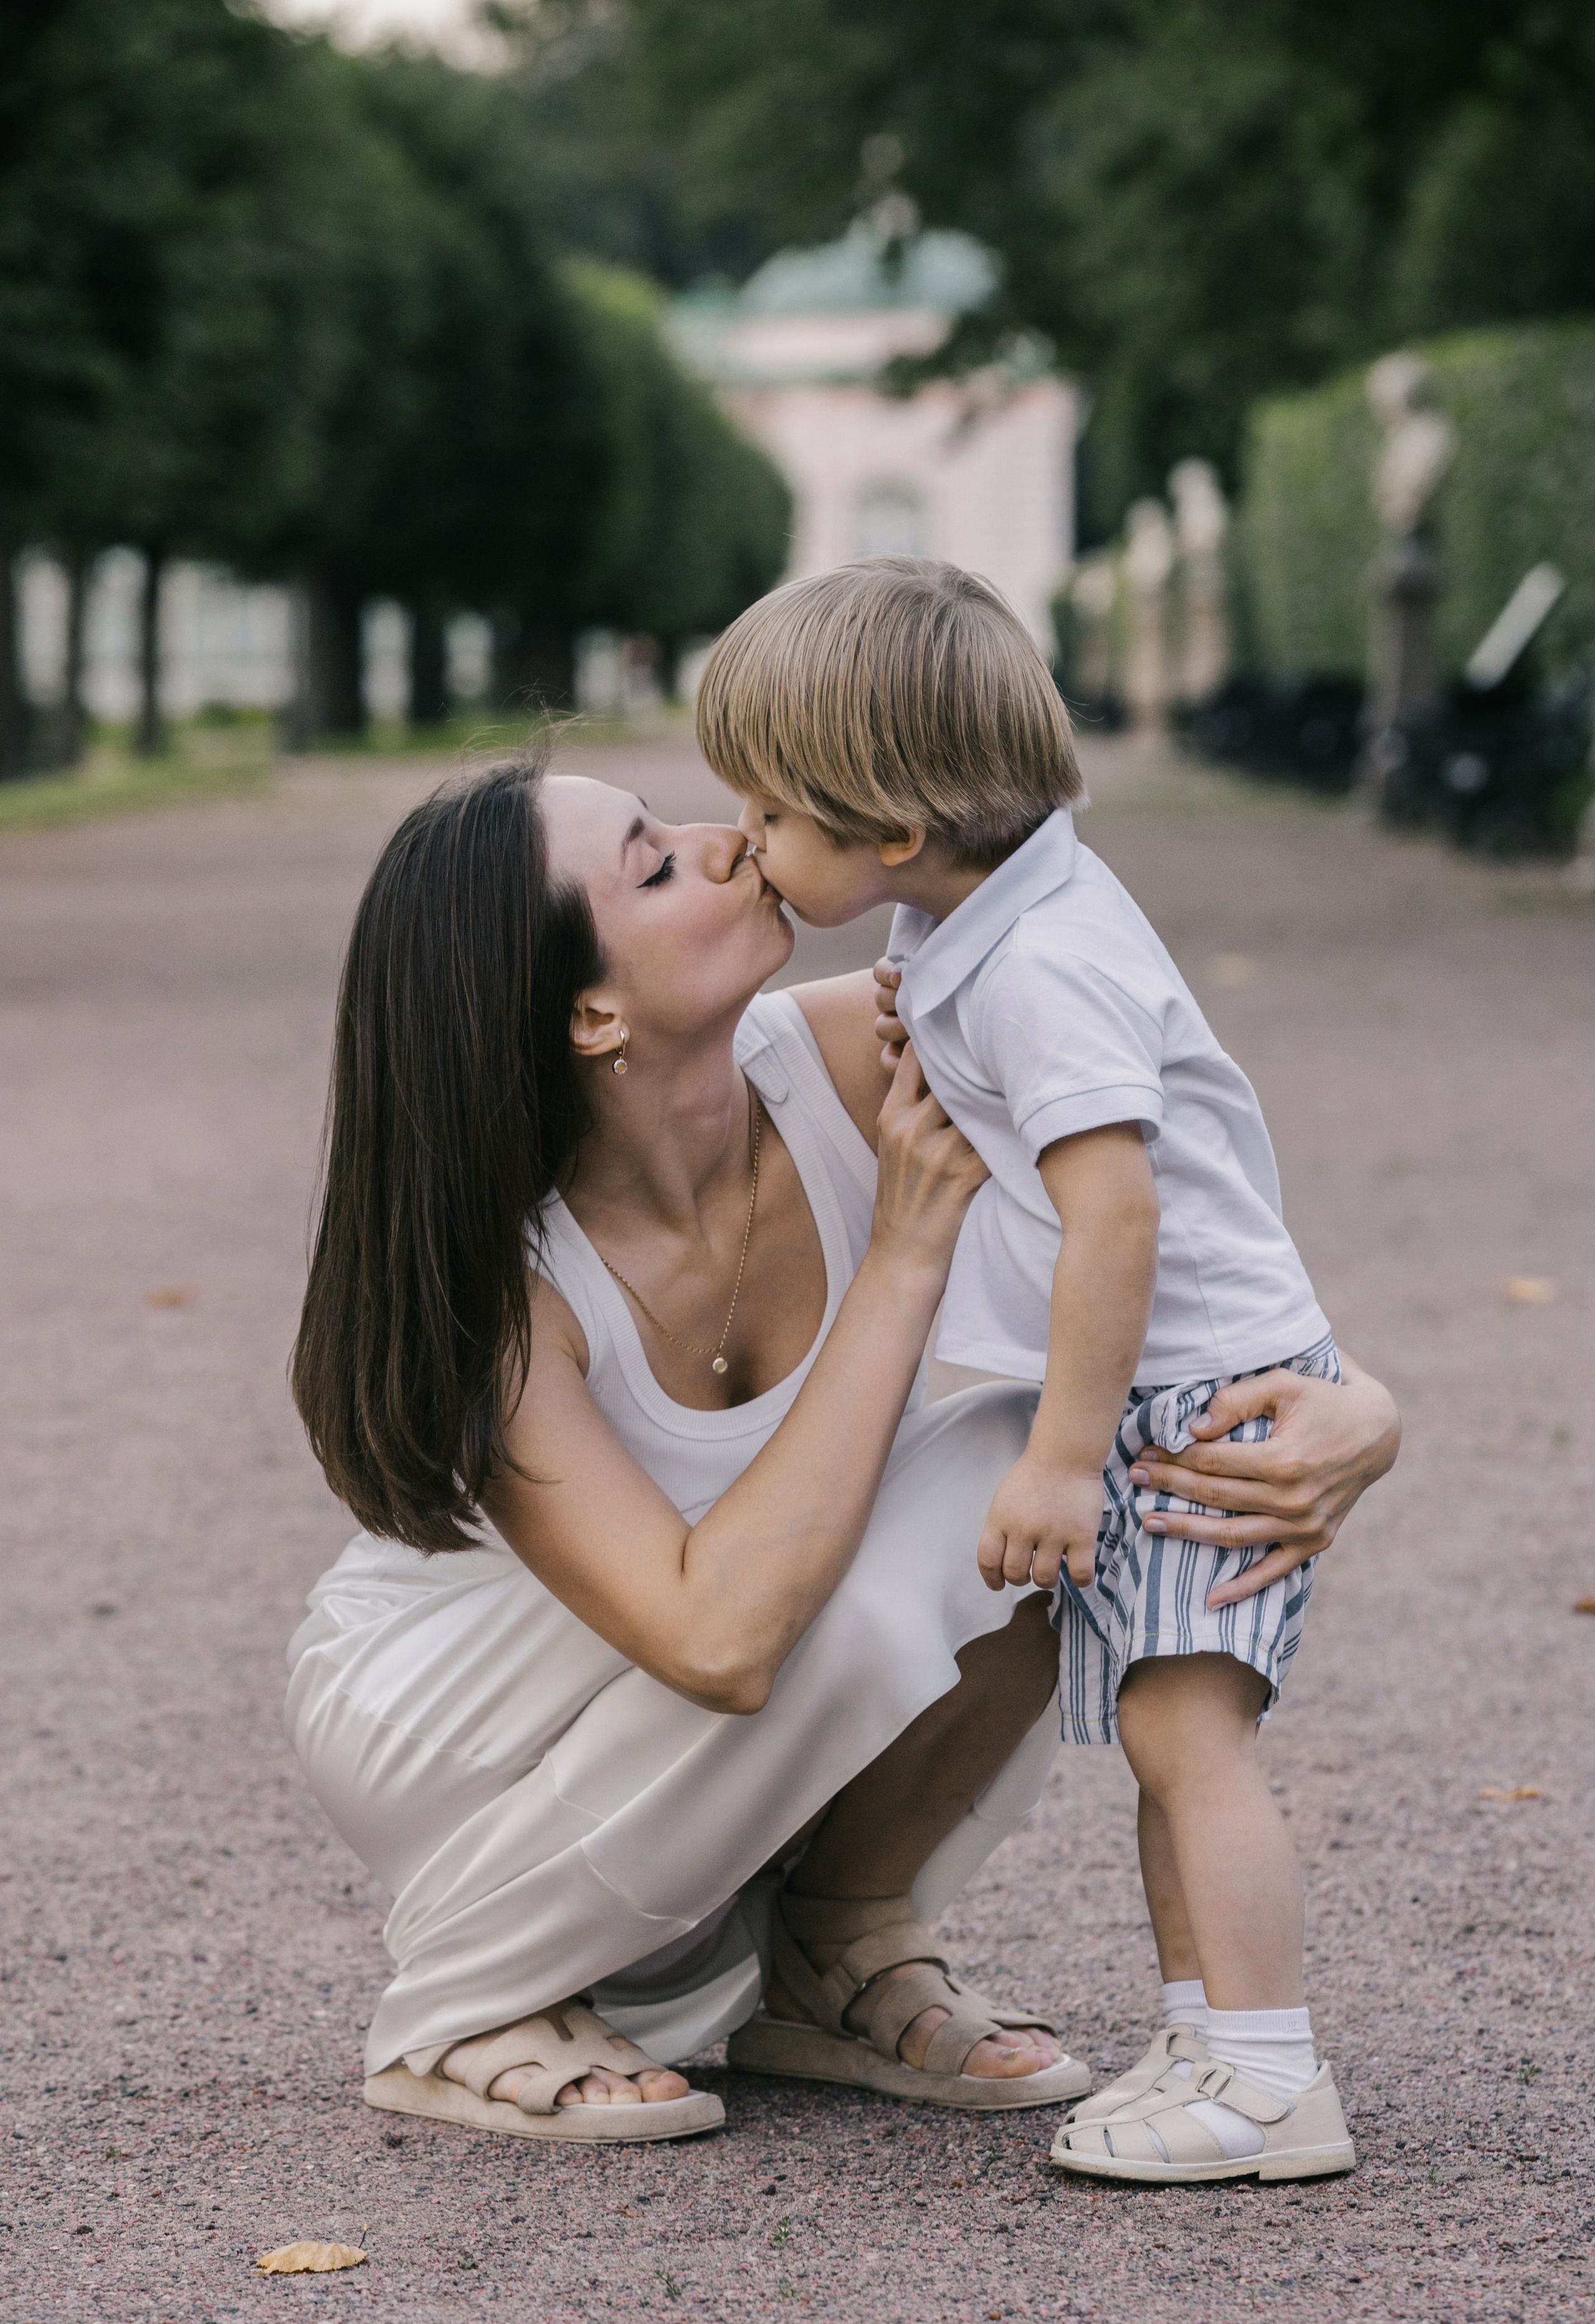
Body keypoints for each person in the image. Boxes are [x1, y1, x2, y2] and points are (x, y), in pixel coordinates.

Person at [285, 745, 1399, 2148]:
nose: (723, 838)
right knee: (959, 1490)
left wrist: (1355, 1400)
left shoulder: (857, 1049)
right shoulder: (503, 1301)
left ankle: (833, 1939)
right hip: (459, 1700)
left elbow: (1165, 1227)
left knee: (1045, 1456)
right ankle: (468, 1995)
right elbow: (719, 1638)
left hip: (720, 1641)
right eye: (652, 858)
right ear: (587, 1011)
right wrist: (902, 1256)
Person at [700, 556, 1399, 2184]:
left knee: (1188, 1744)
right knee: (1168, 1742)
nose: (743, 837)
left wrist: (1065, 1456)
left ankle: (1272, 2074)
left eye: (768, 809)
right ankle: (1213, 2039)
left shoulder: (1037, 969)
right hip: (1183, 1394)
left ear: (886, 829)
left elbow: (1114, 1221)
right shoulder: (986, 915)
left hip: (1188, 1408)